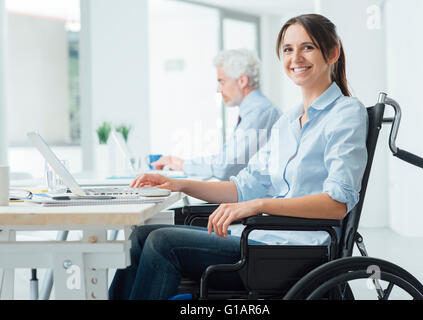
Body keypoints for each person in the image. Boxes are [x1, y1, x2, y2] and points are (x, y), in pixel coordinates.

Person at [109, 13, 368, 300]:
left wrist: (256, 206)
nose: (296, 57)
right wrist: (178, 184)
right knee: (139, 236)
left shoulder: (346, 113)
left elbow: (336, 204)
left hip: (294, 253)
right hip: (263, 240)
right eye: (288, 49)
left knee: (161, 242)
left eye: (307, 47)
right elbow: (241, 187)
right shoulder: (287, 122)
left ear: (332, 53)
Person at [151, 49, 281, 180]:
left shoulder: (259, 112)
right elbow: (226, 160)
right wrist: (180, 163)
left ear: (242, 81)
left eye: (222, 82)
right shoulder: (255, 110)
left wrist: (182, 164)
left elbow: (224, 167)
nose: (219, 89)